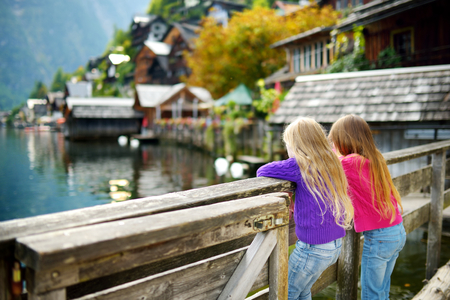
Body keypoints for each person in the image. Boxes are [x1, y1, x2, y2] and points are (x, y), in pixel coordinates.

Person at [257, 117, 354, 300]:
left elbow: (262, 171)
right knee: (303, 291)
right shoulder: (332, 161)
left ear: (295, 145)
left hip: (312, 249)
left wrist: (293, 159)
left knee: (285, 294)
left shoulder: (299, 164)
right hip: (334, 246)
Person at [329, 114, 406, 300]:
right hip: (396, 232)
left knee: (371, 294)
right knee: (381, 291)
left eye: (334, 141)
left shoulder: (349, 163)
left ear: (343, 141)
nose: (333, 146)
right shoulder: (375, 159)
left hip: (379, 238)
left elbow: (325, 166)